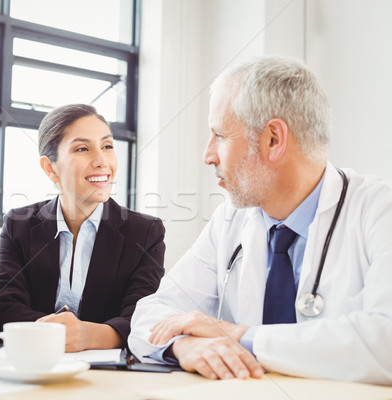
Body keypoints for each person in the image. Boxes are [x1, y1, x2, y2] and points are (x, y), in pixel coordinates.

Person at [128, 55, 392, 385]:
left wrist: (239, 336)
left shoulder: (380, 209)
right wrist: (183, 345)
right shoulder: (230, 220)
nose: (208, 155)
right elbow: (152, 313)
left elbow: (386, 342)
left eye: (219, 135)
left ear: (273, 139)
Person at [0, 104, 165, 352]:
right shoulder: (19, 225)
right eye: (82, 148)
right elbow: (3, 310)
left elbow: (143, 316)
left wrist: (87, 336)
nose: (102, 161)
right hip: (32, 364)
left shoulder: (146, 232)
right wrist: (57, 336)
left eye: (107, 146)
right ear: (50, 168)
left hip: (109, 376)